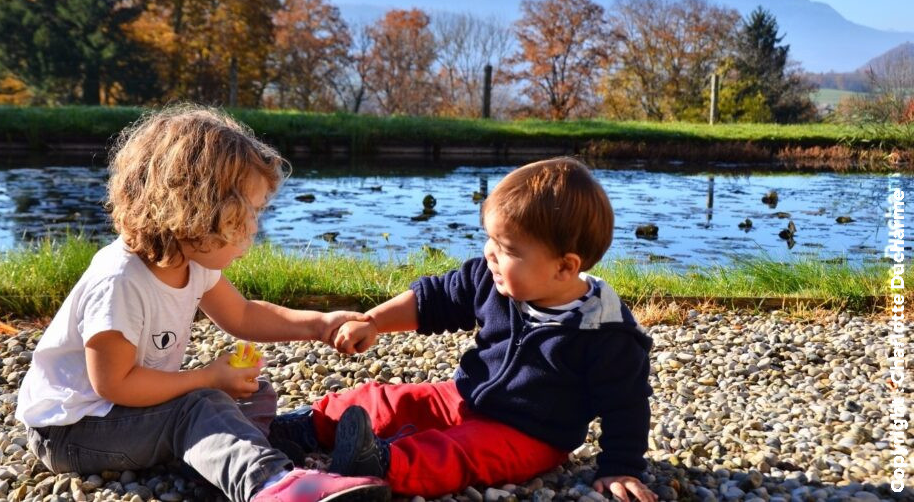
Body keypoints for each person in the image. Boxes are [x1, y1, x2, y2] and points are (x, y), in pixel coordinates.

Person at [16, 106, 389, 502]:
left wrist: (318, 324)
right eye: (247, 215)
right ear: (197, 211)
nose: (254, 228)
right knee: (201, 405)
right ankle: (271, 485)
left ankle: (266, 459)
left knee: (252, 395)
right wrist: (207, 378)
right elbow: (115, 384)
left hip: (125, 415)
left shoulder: (190, 261)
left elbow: (243, 314)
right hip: (73, 431)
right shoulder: (119, 281)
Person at [268, 157, 657, 501]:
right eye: (490, 239)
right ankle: (311, 425)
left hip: (529, 435)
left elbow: (628, 406)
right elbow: (432, 300)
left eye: (507, 249)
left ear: (564, 268)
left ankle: (383, 464)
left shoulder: (606, 333)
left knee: (460, 452)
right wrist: (374, 321)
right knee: (391, 400)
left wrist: (621, 466)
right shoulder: (492, 279)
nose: (490, 253)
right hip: (463, 394)